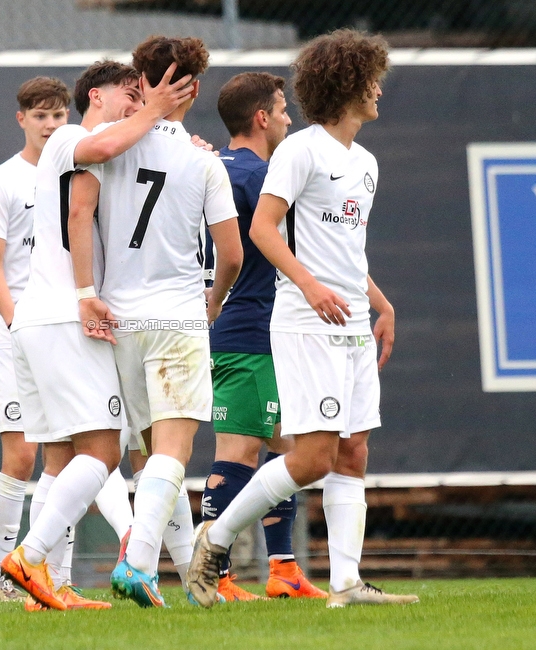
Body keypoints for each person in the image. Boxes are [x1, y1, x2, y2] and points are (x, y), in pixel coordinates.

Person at [187, 29, 419, 609]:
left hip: (350, 320)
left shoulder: (365, 162)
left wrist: (381, 302)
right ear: (346, 84)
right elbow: (263, 230)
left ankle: (346, 584)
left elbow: (344, 250)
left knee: (354, 450)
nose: (379, 94)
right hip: (304, 321)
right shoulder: (300, 150)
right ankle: (213, 540)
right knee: (312, 456)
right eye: (372, 82)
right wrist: (311, 287)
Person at [0, 58, 195, 612]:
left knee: (61, 459)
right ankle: (29, 556)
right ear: (96, 95)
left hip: (47, 316)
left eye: (141, 96)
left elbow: (135, 157)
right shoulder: (69, 137)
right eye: (130, 94)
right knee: (105, 450)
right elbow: (99, 169)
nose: (137, 104)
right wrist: (159, 111)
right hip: (65, 314)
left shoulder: (106, 144)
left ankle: (47, 588)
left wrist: (179, 138)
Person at [72, 35, 243, 608]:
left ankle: (166, 573)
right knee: (173, 449)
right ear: (192, 87)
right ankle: (139, 562)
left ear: (141, 82)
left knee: (147, 452)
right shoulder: (202, 160)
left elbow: (82, 212)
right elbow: (233, 254)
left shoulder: (106, 146)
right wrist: (213, 300)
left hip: (118, 316)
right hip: (177, 317)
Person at [200, 71, 327, 602]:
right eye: (280, 110)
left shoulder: (204, 168)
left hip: (239, 325)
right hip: (246, 326)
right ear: (260, 118)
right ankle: (215, 574)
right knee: (239, 449)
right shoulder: (258, 177)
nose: (287, 118)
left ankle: (282, 569)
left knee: (288, 445)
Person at [0, 76, 71, 602]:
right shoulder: (1, 182)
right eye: (40, 116)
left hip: (68, 332)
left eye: (58, 115)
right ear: (21, 120)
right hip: (18, 333)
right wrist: (17, 324)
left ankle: (58, 575)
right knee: (21, 457)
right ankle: (0, 580)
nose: (50, 125)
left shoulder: (80, 172)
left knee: (73, 454)